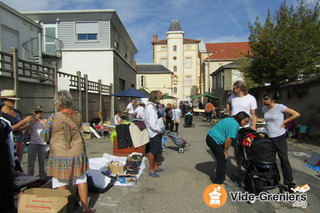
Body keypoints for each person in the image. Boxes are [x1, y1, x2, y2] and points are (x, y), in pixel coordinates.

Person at [40, 90, 95, 213]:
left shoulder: (53, 117)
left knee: (61, 180)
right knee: (81, 178)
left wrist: (45, 128)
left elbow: (44, 136)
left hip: (60, 153)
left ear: (58, 104)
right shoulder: (78, 115)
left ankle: (63, 209)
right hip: (77, 151)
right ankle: (85, 207)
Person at [262, 93, 300, 189]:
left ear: (273, 100)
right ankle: (274, 179)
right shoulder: (264, 109)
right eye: (264, 104)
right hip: (268, 136)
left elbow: (296, 114)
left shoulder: (280, 107)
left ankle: (289, 182)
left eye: (268, 104)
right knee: (270, 159)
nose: (266, 106)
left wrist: (285, 122)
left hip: (279, 136)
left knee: (283, 159)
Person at [206, 111, 250, 186]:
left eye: (248, 122)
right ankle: (219, 182)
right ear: (241, 118)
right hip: (214, 139)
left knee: (223, 159)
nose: (246, 123)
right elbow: (228, 140)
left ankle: (221, 178)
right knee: (222, 160)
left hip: (213, 137)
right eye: (246, 121)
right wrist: (225, 151)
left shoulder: (231, 119)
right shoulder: (235, 124)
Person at [226, 81, 257, 173]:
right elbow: (228, 103)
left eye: (234, 88)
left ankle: (249, 167)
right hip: (234, 127)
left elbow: (254, 114)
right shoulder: (232, 97)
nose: (233, 90)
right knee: (236, 148)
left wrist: (253, 126)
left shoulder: (250, 98)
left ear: (239, 88)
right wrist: (229, 112)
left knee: (247, 147)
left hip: (245, 127)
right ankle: (239, 168)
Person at [1, 90, 32, 162]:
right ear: (4, 101)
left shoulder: (17, 112)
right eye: (11, 100)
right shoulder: (2, 114)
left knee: (18, 164)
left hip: (19, 142)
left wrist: (23, 125)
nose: (13, 102)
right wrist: (23, 122)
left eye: (14, 100)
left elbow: (23, 127)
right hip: (9, 142)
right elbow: (8, 129)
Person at [144, 90, 165, 178]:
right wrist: (160, 130)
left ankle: (156, 166)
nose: (161, 98)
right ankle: (151, 170)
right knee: (152, 151)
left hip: (156, 132)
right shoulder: (151, 108)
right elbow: (152, 124)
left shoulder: (152, 106)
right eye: (160, 96)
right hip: (155, 132)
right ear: (155, 97)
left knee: (156, 151)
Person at [25, 105, 47, 181]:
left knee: (42, 162)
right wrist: (30, 124)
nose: (39, 114)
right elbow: (26, 134)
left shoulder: (45, 121)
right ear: (34, 113)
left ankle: (42, 178)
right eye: (37, 112)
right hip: (33, 143)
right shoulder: (31, 121)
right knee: (31, 163)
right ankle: (30, 178)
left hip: (42, 144)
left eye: (40, 112)